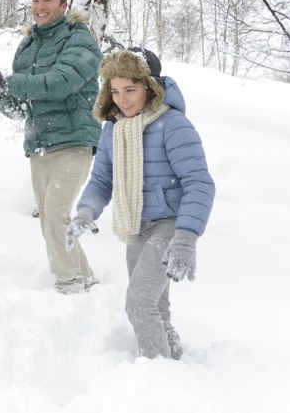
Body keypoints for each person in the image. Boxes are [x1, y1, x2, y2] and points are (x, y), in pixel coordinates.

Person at [65, 48, 215, 359]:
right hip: (135, 226)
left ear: (150, 86)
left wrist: (186, 238)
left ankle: (158, 374)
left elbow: (199, 183)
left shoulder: (173, 125)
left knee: (139, 301)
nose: (122, 99)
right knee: (156, 304)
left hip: (169, 226)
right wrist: (86, 211)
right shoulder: (114, 128)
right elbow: (102, 180)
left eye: (130, 90)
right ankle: (173, 357)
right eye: (115, 90)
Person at [0, 0, 102, 293]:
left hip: (74, 142)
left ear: (63, 4)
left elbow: (58, 84)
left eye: (47, 0)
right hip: (39, 146)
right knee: (49, 222)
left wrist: (8, 82)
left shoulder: (80, 40)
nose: (40, 7)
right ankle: (87, 280)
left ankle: (68, 284)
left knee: (56, 215)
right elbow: (22, 108)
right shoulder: (27, 46)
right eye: (35, 1)